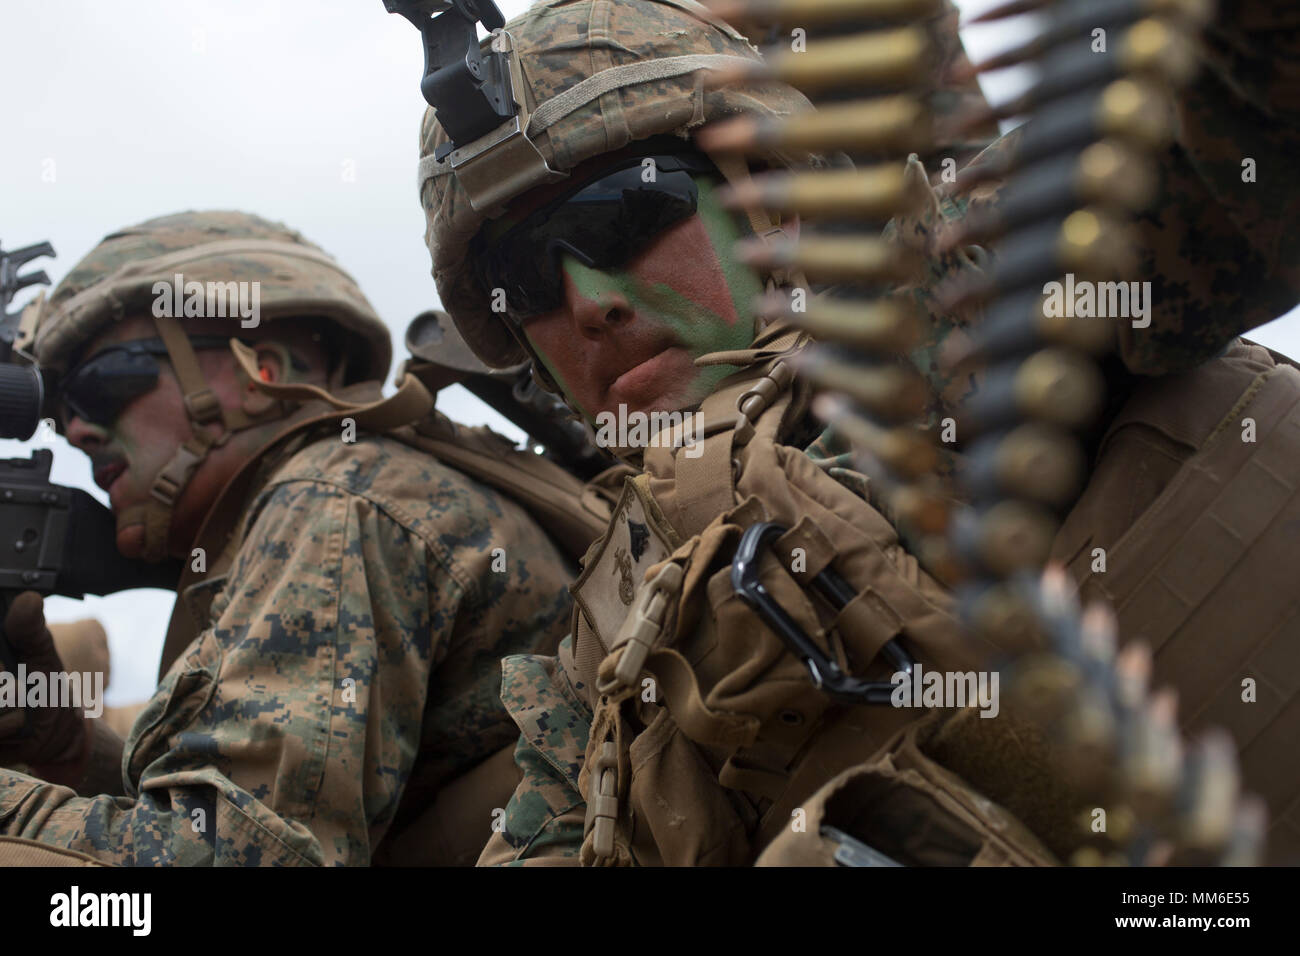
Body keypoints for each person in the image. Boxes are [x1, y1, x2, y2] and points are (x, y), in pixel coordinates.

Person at [407, 0, 1299, 864]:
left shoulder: (963, 291)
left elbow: (1221, 122)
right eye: (523, 281)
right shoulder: (604, 650)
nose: (588, 302)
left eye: (620, 218)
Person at [0, 210, 578, 865]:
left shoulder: (333, 497)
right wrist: (74, 755)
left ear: (262, 372)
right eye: (63, 412)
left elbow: (236, 858)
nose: (77, 431)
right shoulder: (359, 486)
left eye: (100, 387)